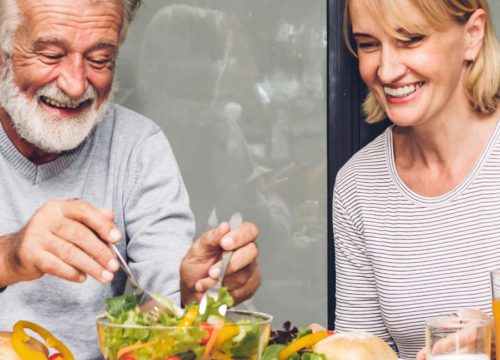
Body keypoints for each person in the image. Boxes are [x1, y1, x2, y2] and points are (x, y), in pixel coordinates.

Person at [0, 0, 260, 358]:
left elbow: (164, 316)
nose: (76, 86)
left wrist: (191, 295)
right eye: (50, 55)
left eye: (99, 60)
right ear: (3, 52)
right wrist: (9, 257)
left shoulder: (138, 147)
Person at [333, 0, 500, 359]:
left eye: (410, 39)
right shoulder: (357, 184)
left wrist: (496, 343)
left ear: (473, 35)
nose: (388, 71)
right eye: (368, 44)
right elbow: (362, 350)